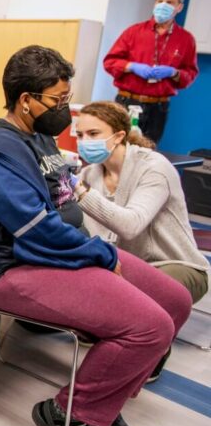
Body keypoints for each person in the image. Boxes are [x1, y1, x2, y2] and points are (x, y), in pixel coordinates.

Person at [0, 45, 193, 426]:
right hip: (17, 267)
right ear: (26, 100)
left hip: (62, 254)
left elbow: (66, 205)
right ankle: (70, 412)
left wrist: (96, 252)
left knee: (175, 302)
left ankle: (104, 399)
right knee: (150, 326)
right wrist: (103, 255)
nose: (66, 108)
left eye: (66, 98)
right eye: (58, 100)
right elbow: (39, 232)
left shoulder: (40, 138)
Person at [75, 101, 209, 304]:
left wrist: (81, 192)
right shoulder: (88, 174)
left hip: (175, 265)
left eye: (93, 134)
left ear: (119, 136)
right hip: (124, 266)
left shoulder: (154, 168)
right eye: (80, 135)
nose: (84, 141)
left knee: (122, 303)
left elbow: (130, 226)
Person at [103, 0, 198, 144]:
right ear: (154, 3)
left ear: (179, 7)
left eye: (169, 2)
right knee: (118, 147)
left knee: (148, 152)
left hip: (158, 106)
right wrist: (132, 66)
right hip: (127, 101)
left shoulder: (186, 39)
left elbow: (190, 75)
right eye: (160, 1)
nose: (163, 6)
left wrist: (173, 72)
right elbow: (110, 62)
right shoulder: (134, 32)